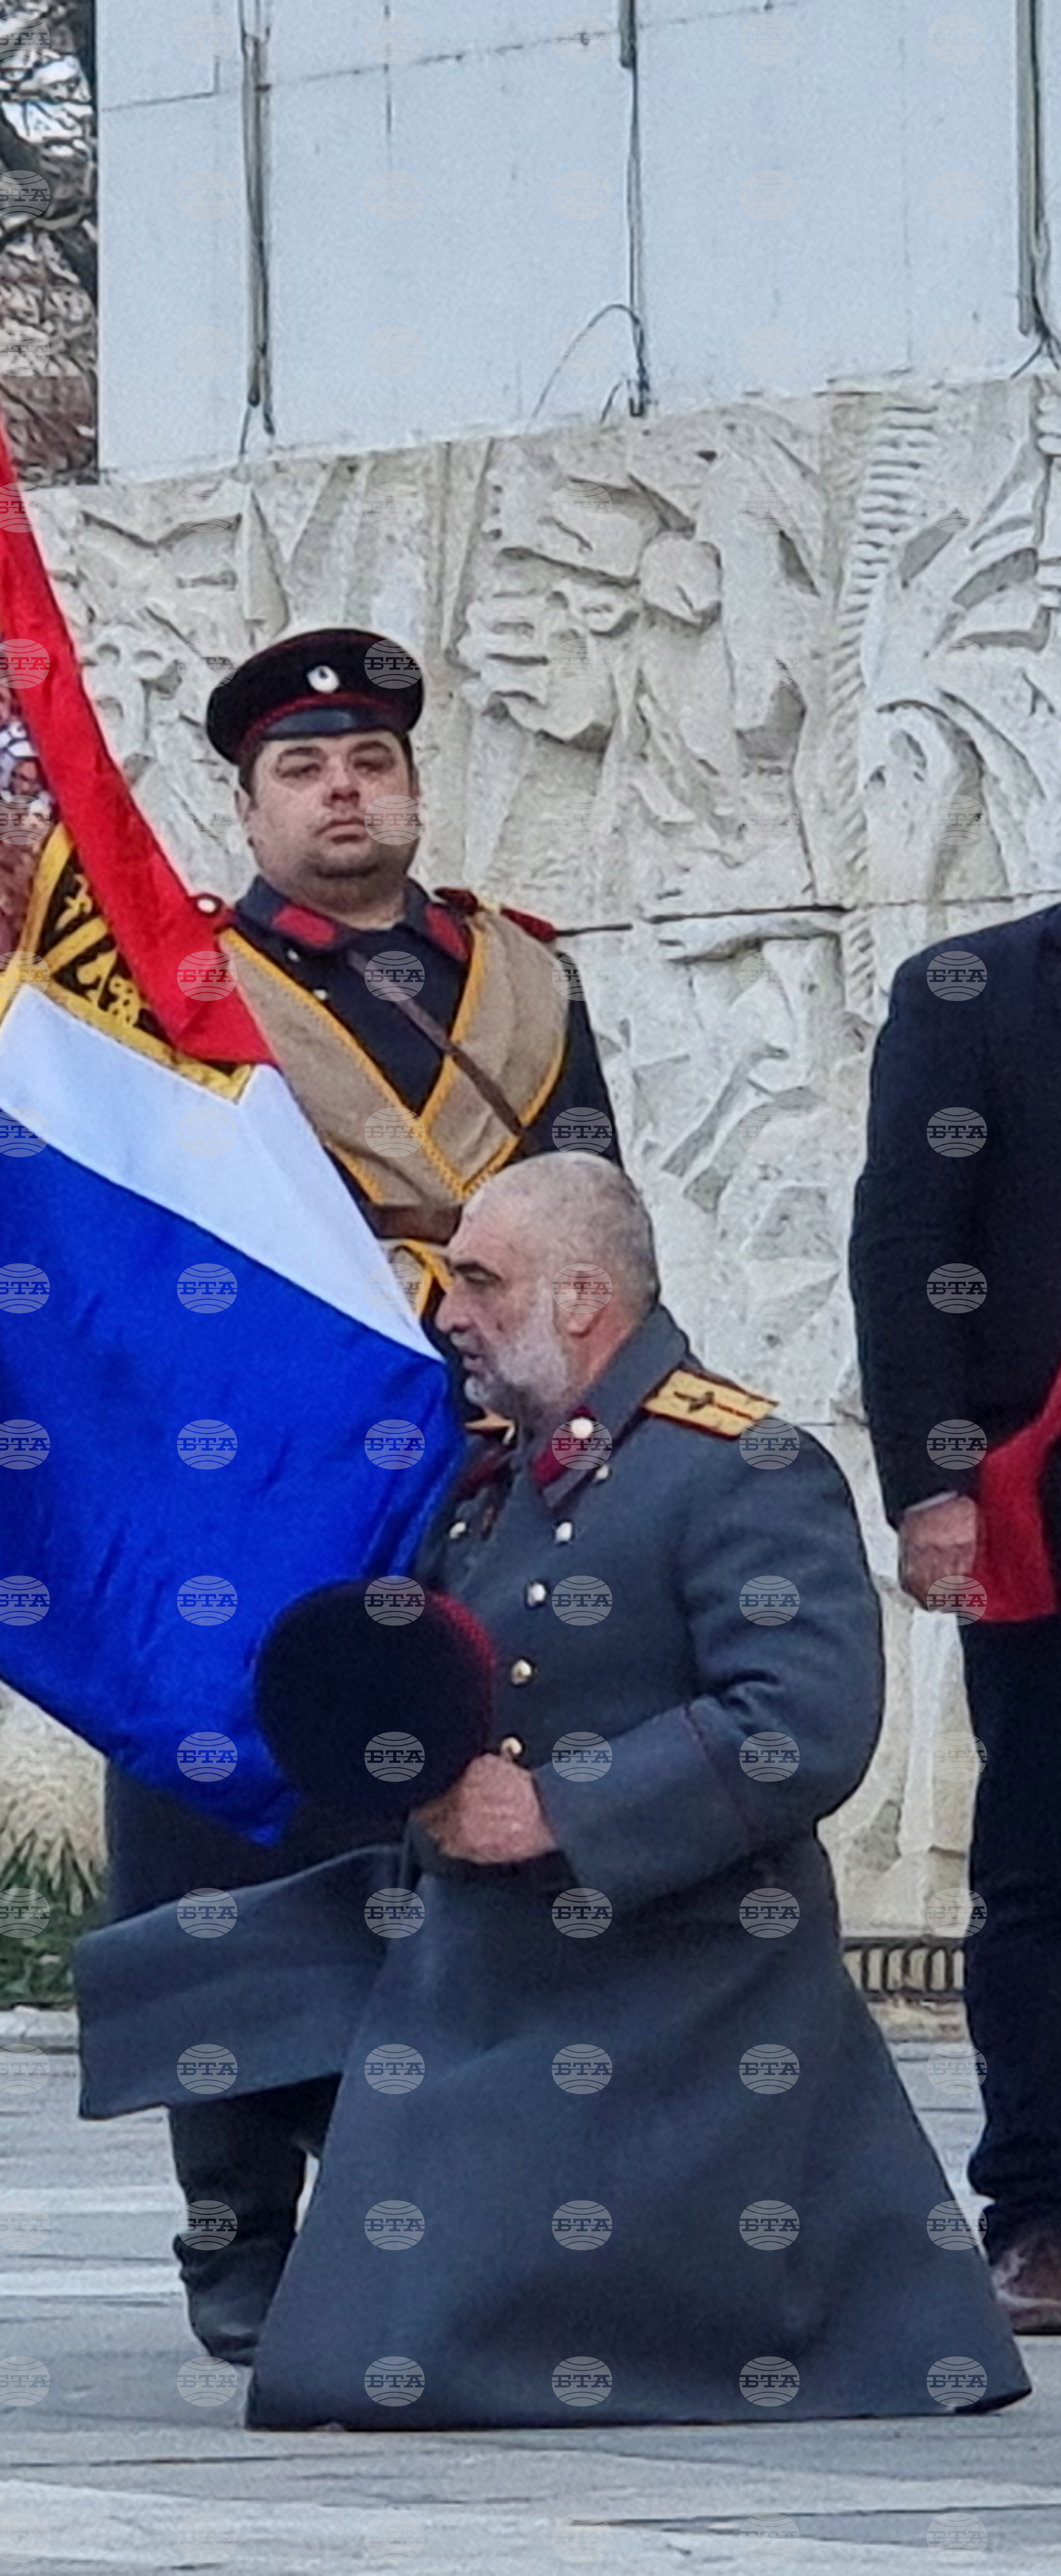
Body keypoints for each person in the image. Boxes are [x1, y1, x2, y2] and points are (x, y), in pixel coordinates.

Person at [79, 1154, 1029, 2429]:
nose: (447, 1312)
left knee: (362, 2371)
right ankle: (251, 2230)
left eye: (479, 1280)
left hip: (666, 1975)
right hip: (481, 1939)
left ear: (581, 1298)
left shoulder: (739, 1466)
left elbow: (800, 1725)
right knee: (184, 1976)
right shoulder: (496, 1479)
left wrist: (557, 1810)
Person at [106, 627, 621, 2368]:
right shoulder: (181, 983)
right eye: (305, 769)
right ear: (249, 807)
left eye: (373, 761)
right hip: (253, 1468)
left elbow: (596, 1208)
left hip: (487, 1458)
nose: (346, 791)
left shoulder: (523, 981)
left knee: (462, 1809)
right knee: (226, 1832)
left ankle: (442, 2200)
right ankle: (237, 2220)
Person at [850, 915, 1061, 2329]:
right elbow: (908, 1246)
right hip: (1044, 1490)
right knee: (1042, 1856)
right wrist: (931, 1485)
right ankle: (1039, 2210)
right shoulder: (971, 993)